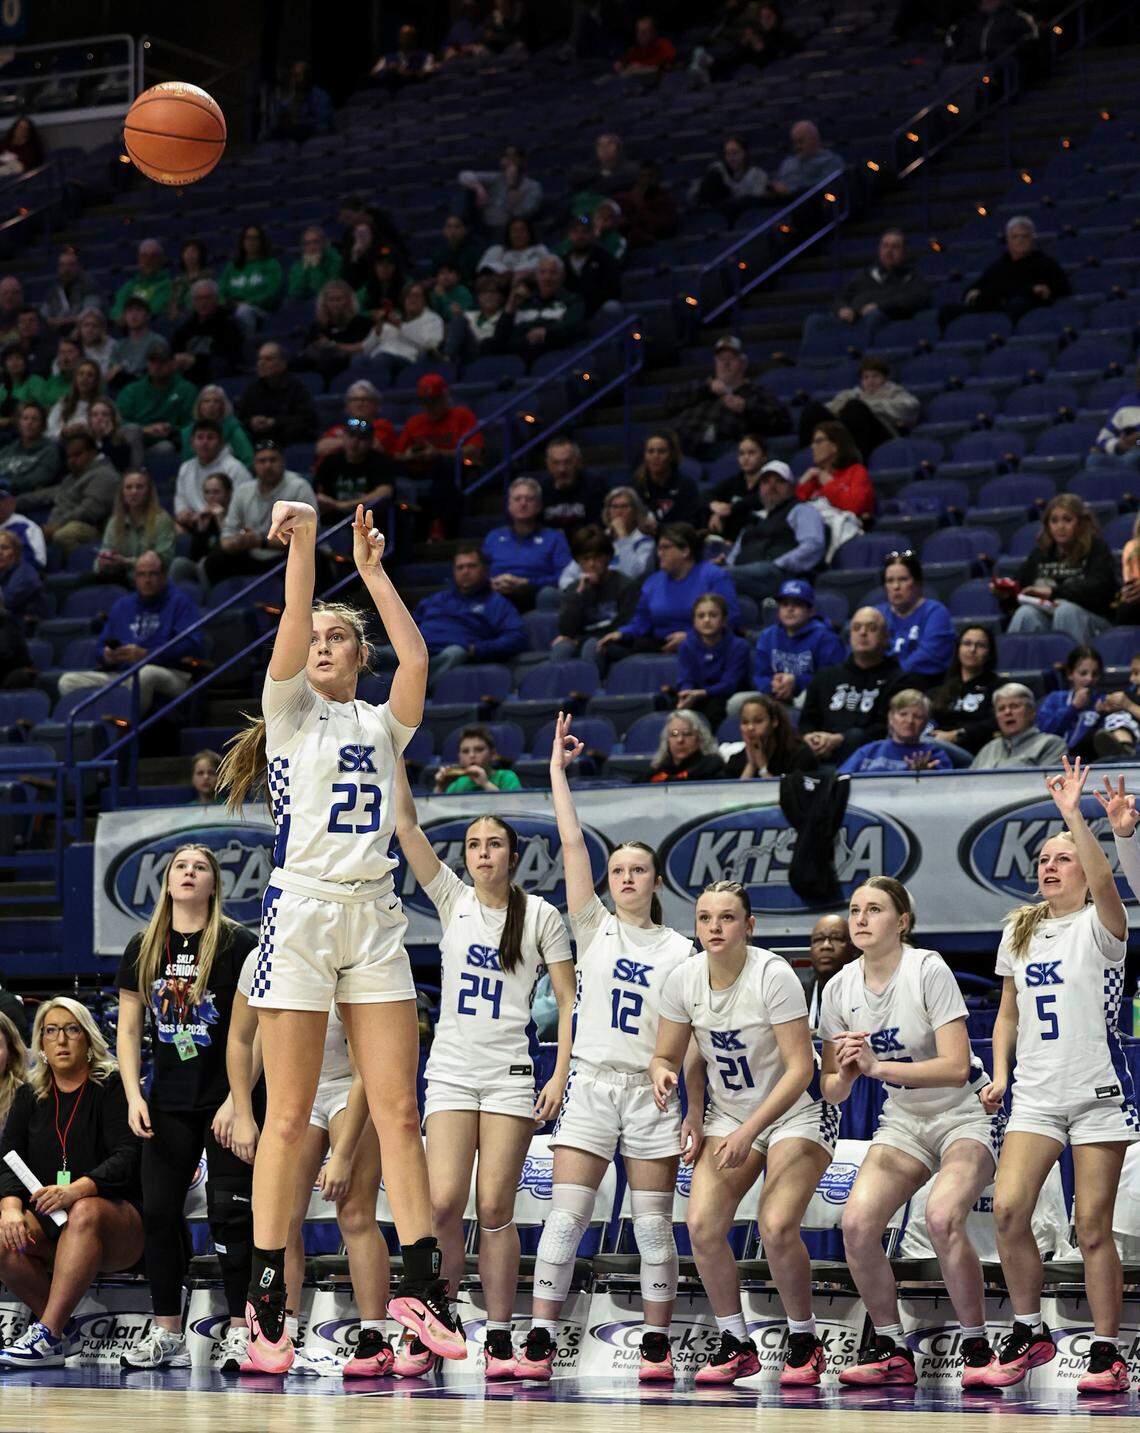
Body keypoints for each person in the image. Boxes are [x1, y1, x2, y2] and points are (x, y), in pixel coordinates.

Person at [213, 500, 463, 1373]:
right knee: (287, 1118)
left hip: (375, 914)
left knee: (399, 1109)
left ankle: (422, 1285)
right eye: (315, 637)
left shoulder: (382, 723)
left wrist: (374, 573)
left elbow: (418, 658)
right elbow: (292, 610)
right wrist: (306, 536)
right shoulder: (288, 712)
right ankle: (265, 1303)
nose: (321, 644)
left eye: (338, 637)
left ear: (359, 655)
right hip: (304, 912)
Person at [512, 714, 697, 1381]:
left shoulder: (682, 949)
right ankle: (540, 1337)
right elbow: (570, 843)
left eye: (637, 869)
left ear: (655, 881)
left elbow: (691, 1040)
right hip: (591, 1082)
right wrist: (557, 773)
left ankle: (656, 1343)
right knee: (565, 1220)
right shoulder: (590, 925)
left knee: (653, 1228)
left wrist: (693, 1106)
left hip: (651, 1093)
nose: (625, 877)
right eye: (617, 868)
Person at [393, 777, 575, 1376]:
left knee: (494, 1207)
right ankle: (435, 1323)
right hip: (451, 1072)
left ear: (512, 856)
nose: (482, 853)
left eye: (493, 844)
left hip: (509, 1075)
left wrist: (560, 1073)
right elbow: (406, 828)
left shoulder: (541, 915)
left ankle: (498, 1335)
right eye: (473, 844)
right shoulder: (452, 898)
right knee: (443, 1204)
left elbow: (569, 1000)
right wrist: (396, 751)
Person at [976, 761, 1134, 1394]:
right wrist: (1002, 1073)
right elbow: (1007, 1013)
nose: (1050, 865)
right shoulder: (1020, 929)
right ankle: (1029, 1330)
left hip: (1098, 1092)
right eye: (1043, 858)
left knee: (1092, 1227)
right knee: (1009, 1209)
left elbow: (1107, 878)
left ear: (1084, 870)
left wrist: (1076, 816)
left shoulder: (1103, 923)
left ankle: (1106, 1352)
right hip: (1037, 1094)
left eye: (1063, 858)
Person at [820, 878, 1006, 1389]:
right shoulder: (838, 989)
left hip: (964, 1111)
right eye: (855, 909)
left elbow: (954, 1066)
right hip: (904, 1118)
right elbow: (832, 1089)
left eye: (874, 909)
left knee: (942, 1216)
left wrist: (876, 1068)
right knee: (857, 1225)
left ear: (901, 922)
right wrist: (847, 1073)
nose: (860, 919)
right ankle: (890, 1347)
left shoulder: (926, 968)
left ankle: (977, 1347)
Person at [653, 882, 838, 1386]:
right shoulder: (684, 979)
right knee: (702, 1226)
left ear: (749, 926)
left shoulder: (773, 974)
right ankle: (736, 1342)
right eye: (705, 918)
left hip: (797, 1109)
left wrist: (750, 1130)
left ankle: (804, 1339)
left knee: (776, 1226)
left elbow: (801, 1068)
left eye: (727, 917)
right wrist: (687, 1105)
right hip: (731, 1112)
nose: (714, 927)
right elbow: (675, 1054)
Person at [115, 845, 259, 1371]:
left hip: (227, 1100)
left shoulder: (239, 943)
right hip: (167, 1102)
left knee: (230, 1215)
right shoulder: (144, 945)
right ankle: (167, 1332)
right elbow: (128, 1029)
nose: (190, 872)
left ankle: (242, 1330)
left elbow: (259, 1030)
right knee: (157, 1214)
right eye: (181, 866)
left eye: (200, 867)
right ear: (168, 881)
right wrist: (134, 1095)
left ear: (214, 883)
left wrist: (238, 1100)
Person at [0, 998, 142, 1369]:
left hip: (117, 1226)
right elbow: (8, 1158)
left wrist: (74, 1190)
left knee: (85, 1210)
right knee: (2, 1235)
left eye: (71, 1029)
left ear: (88, 1037)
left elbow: (128, 1158)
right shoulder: (30, 1095)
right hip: (53, 1225)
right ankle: (62, 1331)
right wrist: (10, 1208)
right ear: (41, 1044)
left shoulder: (111, 1086)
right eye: (51, 1031)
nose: (61, 1039)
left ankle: (46, 1332)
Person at [57, 551, 203, 713]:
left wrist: (147, 655)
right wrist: (107, 655)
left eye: (152, 574)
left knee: (145, 674)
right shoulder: (122, 606)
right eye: (141, 575)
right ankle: (105, 724)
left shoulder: (180, 602)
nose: (147, 580)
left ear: (163, 576)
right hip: (123, 673)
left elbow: (191, 644)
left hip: (170, 673)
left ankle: (124, 726)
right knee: (68, 681)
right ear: (135, 578)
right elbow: (100, 647)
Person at [599, 524, 740, 664]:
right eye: (659, 548)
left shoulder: (714, 577)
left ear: (685, 551)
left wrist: (692, 637)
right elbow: (642, 621)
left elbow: (730, 618)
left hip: (703, 643)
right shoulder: (653, 582)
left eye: (665, 547)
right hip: (659, 644)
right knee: (606, 647)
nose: (659, 553)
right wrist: (623, 633)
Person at [394, 544, 526, 687]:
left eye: (472, 566)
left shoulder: (496, 603)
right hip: (418, 650)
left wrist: (477, 649)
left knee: (454, 654)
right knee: (381, 653)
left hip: (453, 653)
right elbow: (408, 628)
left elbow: (516, 637)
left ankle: (415, 690)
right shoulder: (434, 600)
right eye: (460, 567)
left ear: (484, 569)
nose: (465, 571)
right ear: (454, 571)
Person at [1004, 493, 1116, 646]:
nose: (1060, 527)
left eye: (1067, 520)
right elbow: (1020, 589)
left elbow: (1100, 588)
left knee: (1065, 611)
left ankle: (1078, 661)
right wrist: (1006, 594)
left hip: (1092, 620)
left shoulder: (1096, 549)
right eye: (1054, 521)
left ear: (1081, 523)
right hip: (1049, 617)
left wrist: (1053, 592)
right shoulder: (1040, 554)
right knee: (1026, 613)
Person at [204, 441, 317, 587]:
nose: (267, 466)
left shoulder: (299, 487)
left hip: (285, 557)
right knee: (214, 560)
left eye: (273, 460)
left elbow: (306, 538)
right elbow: (227, 535)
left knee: (314, 559)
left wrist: (260, 541)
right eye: (262, 461)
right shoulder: (243, 491)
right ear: (254, 465)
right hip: (251, 554)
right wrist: (236, 542)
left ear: (283, 462)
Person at [665, 336, 791, 457]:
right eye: (721, 359)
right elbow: (669, 402)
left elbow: (782, 421)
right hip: (682, 443)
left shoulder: (755, 391)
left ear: (743, 363)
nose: (725, 363)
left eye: (731, 358)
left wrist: (745, 407)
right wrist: (706, 388)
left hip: (724, 448)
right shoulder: (702, 386)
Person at [392, 375, 483, 536]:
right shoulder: (415, 422)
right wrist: (408, 455)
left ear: (445, 397)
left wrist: (438, 453)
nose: (429, 407)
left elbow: (474, 449)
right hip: (420, 469)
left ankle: (440, 526)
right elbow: (396, 455)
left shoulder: (461, 415)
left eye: (434, 401)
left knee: (444, 466)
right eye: (425, 402)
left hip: (453, 469)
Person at [727, 460, 827, 606]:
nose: (772, 487)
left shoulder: (801, 510)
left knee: (718, 576)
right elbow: (734, 556)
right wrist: (724, 563)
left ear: (791, 487)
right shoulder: (754, 520)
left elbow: (813, 545)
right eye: (766, 482)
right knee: (712, 575)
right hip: (746, 575)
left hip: (779, 575)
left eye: (779, 482)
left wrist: (779, 564)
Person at [941, 217, 1070, 328]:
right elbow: (978, 286)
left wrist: (1046, 290)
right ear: (1008, 240)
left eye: (1024, 236)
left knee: (1016, 305)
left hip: (1024, 307)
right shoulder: (999, 265)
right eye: (1015, 237)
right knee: (948, 311)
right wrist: (973, 291)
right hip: (995, 304)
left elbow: (1062, 287)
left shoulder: (1045, 263)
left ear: (1032, 238)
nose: (1019, 240)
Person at [749, 578, 846, 708]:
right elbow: (760, 675)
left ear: (810, 611)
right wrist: (773, 686)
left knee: (805, 700)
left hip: (808, 695)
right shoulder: (768, 635)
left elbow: (830, 678)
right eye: (785, 604)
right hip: (773, 693)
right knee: (736, 702)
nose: (790, 609)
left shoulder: (826, 638)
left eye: (797, 604)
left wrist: (796, 682)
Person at [553, 525, 641, 663]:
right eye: (585, 559)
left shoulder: (626, 586)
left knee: (592, 646)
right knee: (561, 648)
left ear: (608, 558)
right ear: (578, 561)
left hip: (614, 643)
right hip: (584, 642)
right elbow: (566, 630)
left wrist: (581, 641)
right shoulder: (575, 589)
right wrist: (579, 594)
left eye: (597, 558)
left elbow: (623, 627)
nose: (592, 564)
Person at [798, 362, 918, 463]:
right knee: (813, 409)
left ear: (885, 378)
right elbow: (830, 409)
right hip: (848, 433)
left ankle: (856, 462)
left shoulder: (895, 392)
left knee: (855, 407)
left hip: (881, 435)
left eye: (875, 376)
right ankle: (806, 460)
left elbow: (910, 407)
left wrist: (868, 405)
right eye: (866, 377)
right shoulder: (851, 394)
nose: (870, 381)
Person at [483, 476, 572, 612]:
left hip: (535, 598)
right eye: (517, 499)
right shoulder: (493, 537)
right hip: (496, 597)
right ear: (509, 506)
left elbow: (565, 577)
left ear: (539, 506)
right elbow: (480, 572)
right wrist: (492, 582)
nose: (523, 503)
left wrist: (528, 583)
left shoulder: (554, 538)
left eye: (529, 499)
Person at [877, 551, 956, 691]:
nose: (896, 586)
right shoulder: (878, 615)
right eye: (890, 581)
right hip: (883, 685)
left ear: (917, 582)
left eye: (903, 579)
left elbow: (928, 657)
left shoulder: (935, 612)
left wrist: (888, 678)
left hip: (925, 686)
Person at [823, 229, 931, 331]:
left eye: (895, 247)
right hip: (853, 321)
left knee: (874, 316)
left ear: (904, 252)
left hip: (886, 324)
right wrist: (842, 309)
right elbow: (840, 298)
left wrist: (879, 306)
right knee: (817, 321)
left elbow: (917, 298)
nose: (888, 251)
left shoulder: (911, 277)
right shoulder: (864, 275)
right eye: (885, 246)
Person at [36, 426, 120, 555]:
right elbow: (47, 494)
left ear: (92, 453)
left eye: (77, 455)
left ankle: (82, 563)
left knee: (64, 535)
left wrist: (57, 525)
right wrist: (15, 501)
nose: (71, 461)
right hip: (61, 523)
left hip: (92, 527)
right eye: (69, 456)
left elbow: (89, 511)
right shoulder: (72, 477)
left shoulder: (104, 475)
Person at [676, 593, 752, 728]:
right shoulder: (686, 646)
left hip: (726, 697)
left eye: (713, 615)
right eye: (701, 616)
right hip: (696, 696)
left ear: (724, 619)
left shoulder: (739, 646)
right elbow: (686, 678)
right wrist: (686, 693)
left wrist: (703, 693)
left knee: (714, 707)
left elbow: (730, 684)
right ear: (694, 621)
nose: (706, 620)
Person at [839, 689, 954, 774]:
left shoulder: (935, 755)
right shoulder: (869, 752)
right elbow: (840, 782)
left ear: (926, 722)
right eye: (903, 714)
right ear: (891, 717)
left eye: (918, 716)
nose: (909, 721)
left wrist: (926, 776)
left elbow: (948, 790)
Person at [116, 340, 199, 452]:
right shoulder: (131, 390)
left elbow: (191, 423)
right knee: (131, 432)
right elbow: (118, 420)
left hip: (169, 440)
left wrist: (171, 429)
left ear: (173, 363)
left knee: (165, 447)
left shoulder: (186, 389)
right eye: (152, 361)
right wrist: (144, 429)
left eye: (162, 362)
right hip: (137, 439)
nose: (157, 366)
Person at [927, 625, 1000, 754]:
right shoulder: (940, 689)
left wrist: (957, 735)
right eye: (967, 643)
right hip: (936, 747)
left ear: (989, 653)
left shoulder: (998, 686)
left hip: (974, 752)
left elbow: (996, 722)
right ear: (958, 649)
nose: (972, 649)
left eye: (980, 645)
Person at [1036, 646, 1116, 759]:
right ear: (1070, 674)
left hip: (1089, 763)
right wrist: (1072, 708)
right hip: (1053, 761)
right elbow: (1044, 734)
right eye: (1083, 673)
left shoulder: (1104, 703)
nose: (1089, 679)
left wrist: (1101, 716)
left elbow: (1106, 743)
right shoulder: (1055, 699)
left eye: (1095, 674)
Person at [96, 468, 178, 578]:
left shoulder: (162, 519)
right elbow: (103, 553)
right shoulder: (115, 521)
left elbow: (164, 560)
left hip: (150, 578)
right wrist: (103, 561)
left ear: (148, 492)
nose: (134, 492)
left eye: (139, 487)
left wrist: (126, 561)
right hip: (120, 576)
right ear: (122, 493)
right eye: (128, 487)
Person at [312, 415, 394, 522]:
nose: (355, 442)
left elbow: (385, 492)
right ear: (343, 437)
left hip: (370, 521)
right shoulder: (330, 461)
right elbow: (317, 493)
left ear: (371, 441)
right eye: (351, 436)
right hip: (333, 521)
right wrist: (327, 502)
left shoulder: (380, 461)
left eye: (362, 438)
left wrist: (346, 505)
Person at [235, 343, 318, 447]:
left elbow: (308, 420)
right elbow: (239, 419)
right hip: (259, 443)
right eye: (260, 359)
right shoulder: (251, 390)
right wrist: (251, 422)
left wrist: (274, 422)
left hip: (290, 443)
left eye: (268, 359)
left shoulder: (297, 388)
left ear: (283, 364)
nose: (261, 363)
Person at [174, 419, 252, 528]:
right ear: (192, 442)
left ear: (221, 443)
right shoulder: (186, 468)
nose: (205, 442)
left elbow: (244, 506)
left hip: (226, 524)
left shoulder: (235, 468)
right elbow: (180, 498)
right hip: (195, 523)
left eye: (210, 438)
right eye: (200, 437)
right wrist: (182, 511)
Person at [970, 684, 1068, 770]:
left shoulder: (1051, 744)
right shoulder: (988, 749)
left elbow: (1051, 783)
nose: (1007, 712)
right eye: (1001, 708)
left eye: (1014, 706)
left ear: (1032, 712)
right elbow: (968, 783)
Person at [722, 693, 817, 780]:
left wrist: (763, 769)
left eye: (758, 721)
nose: (750, 728)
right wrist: (751, 766)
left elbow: (791, 793)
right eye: (745, 722)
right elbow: (733, 793)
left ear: (774, 721)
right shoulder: (736, 761)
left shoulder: (800, 755)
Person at [508, 257, 587, 361]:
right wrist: (510, 306)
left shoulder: (573, 301)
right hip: (521, 358)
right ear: (536, 276)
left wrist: (547, 332)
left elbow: (573, 328)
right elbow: (506, 338)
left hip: (558, 358)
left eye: (553, 273)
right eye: (542, 272)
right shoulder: (523, 303)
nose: (547, 277)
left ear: (562, 276)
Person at [171, 280, 246, 388]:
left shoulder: (229, 325)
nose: (203, 302)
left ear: (217, 299)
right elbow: (173, 352)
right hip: (185, 380)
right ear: (193, 302)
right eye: (199, 298)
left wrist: (195, 361)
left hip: (215, 381)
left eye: (208, 298)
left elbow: (228, 361)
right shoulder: (185, 327)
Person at [794, 419, 875, 517]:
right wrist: (802, 483)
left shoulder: (856, 472)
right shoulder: (813, 478)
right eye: (813, 442)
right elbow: (795, 512)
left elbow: (855, 508)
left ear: (835, 446)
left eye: (818, 441)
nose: (812, 446)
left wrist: (829, 484)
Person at [458, 145, 543, 233]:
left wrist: (511, 186)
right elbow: (463, 175)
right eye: (507, 157)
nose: (510, 161)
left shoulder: (533, 186)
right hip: (485, 227)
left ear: (523, 161)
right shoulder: (495, 178)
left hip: (510, 230)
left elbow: (524, 213)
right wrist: (478, 188)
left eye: (514, 157)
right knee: (463, 193)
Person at [363, 280, 444, 371]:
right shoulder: (395, 317)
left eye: (416, 296)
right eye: (408, 296)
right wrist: (378, 329)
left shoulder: (432, 319)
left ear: (425, 300)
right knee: (359, 360)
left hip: (407, 361)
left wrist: (400, 326)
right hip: (378, 357)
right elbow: (365, 350)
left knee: (382, 359)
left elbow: (431, 346)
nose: (411, 299)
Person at [218, 225, 284, 332]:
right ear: (242, 241)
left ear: (261, 241)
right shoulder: (232, 266)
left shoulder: (271, 264)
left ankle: (249, 340)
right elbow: (221, 291)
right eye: (247, 238)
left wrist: (248, 302)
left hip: (260, 310)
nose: (251, 242)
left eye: (255, 238)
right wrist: (226, 303)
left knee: (243, 310)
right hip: (233, 307)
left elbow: (272, 293)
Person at [539, 436, 605, 540]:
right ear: (548, 464)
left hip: (585, 544)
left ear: (578, 462)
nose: (562, 469)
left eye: (567, 462)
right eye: (556, 463)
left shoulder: (595, 485)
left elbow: (599, 527)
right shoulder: (540, 489)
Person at [707, 435, 770, 543]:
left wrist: (726, 511)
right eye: (742, 453)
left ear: (764, 456)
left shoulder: (769, 481)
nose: (746, 458)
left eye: (751, 453)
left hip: (757, 539)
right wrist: (714, 505)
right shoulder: (735, 480)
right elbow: (707, 494)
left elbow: (753, 500)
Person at [633, 429, 701, 529]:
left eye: (661, 451)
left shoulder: (686, 485)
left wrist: (658, 528)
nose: (655, 456)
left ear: (672, 455)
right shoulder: (636, 485)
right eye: (650, 451)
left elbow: (691, 524)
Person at [558, 214, 622, 320]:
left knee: (611, 307)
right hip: (571, 307)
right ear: (570, 235)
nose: (580, 236)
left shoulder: (604, 258)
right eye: (576, 232)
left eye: (585, 232)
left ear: (593, 234)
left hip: (597, 308)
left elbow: (613, 290)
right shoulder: (563, 261)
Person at [443, 276, 515, 366]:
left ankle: (447, 358)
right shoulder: (467, 315)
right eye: (484, 292)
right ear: (478, 297)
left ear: (502, 297)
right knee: (457, 320)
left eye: (493, 292)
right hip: (467, 355)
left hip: (489, 355)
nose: (488, 296)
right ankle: (447, 357)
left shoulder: (505, 318)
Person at [316, 380, 396, 460]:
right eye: (354, 399)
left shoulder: (382, 425)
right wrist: (355, 441)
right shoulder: (338, 428)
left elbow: (374, 445)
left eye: (365, 399)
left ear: (376, 405)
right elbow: (320, 448)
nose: (359, 404)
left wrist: (341, 441)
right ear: (347, 407)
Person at [690, 135, 770, 214]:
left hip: (747, 215)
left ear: (745, 153)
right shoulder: (717, 171)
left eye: (735, 153)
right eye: (727, 153)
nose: (731, 157)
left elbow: (756, 201)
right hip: (719, 215)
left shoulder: (758, 174)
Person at [641, 709, 726, 784]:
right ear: (667, 740)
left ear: (699, 738)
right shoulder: (658, 770)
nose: (680, 740)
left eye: (687, 734)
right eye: (674, 734)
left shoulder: (712, 767)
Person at [433, 725, 523, 795]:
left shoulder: (507, 777)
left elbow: (513, 809)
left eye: (479, 750)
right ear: (460, 758)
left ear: (493, 754)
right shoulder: (458, 784)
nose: (471, 755)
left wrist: (485, 784)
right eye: (465, 751)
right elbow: (436, 810)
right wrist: (440, 786)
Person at [804, 914, 857, 1027]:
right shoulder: (799, 995)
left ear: (853, 948)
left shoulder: (869, 992)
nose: (826, 946)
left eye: (836, 938)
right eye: (818, 939)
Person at [614, 162, 679, 249]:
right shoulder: (624, 198)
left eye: (650, 176)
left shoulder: (666, 200)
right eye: (642, 176)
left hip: (655, 246)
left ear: (658, 178)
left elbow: (661, 227)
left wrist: (640, 205)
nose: (646, 180)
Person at [266, 59, 334, 143]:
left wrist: (299, 123)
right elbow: (274, 125)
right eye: (293, 76)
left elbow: (324, 125)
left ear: (308, 78)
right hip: (290, 143)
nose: (294, 81)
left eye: (298, 76)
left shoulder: (321, 97)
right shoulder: (287, 102)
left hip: (315, 141)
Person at [0, 402, 60, 496]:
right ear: (19, 423)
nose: (29, 423)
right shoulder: (9, 448)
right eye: (25, 418)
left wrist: (7, 483)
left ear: (43, 425)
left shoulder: (50, 451)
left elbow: (37, 480)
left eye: (34, 419)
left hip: (21, 498)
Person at [770, 120, 843, 197]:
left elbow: (824, 190)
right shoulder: (788, 163)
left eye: (801, 141)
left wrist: (790, 190)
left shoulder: (831, 161)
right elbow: (778, 183)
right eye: (795, 143)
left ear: (814, 140)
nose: (797, 147)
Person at [568, 133, 640, 210]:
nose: (604, 148)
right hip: (593, 204)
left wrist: (597, 180)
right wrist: (601, 175)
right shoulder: (590, 168)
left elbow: (620, 182)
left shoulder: (630, 167)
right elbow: (575, 179)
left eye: (609, 143)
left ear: (618, 148)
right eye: (600, 145)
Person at [40, 247, 102, 332]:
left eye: (71, 265)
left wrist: (57, 321)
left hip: (81, 333)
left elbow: (89, 315)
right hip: (56, 334)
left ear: (79, 267)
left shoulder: (89, 286)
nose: (66, 269)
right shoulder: (54, 290)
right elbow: (43, 318)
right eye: (62, 265)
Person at [1091, 362, 1140, 469]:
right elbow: (1102, 439)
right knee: (1094, 459)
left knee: (1133, 457)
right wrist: (1118, 445)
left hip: (1135, 452)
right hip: (1125, 451)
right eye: (1138, 374)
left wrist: (1137, 441)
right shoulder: (1125, 403)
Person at [110, 238, 173, 321]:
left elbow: (154, 309)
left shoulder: (167, 285)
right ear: (139, 259)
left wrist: (129, 318)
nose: (148, 260)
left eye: (153, 256)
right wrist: (120, 316)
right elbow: (116, 309)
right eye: (144, 256)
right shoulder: (129, 285)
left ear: (161, 260)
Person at [478, 217, 552, 282]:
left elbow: (549, 268)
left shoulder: (540, 249)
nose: (518, 234)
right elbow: (482, 269)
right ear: (508, 234)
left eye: (522, 230)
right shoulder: (498, 250)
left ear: (529, 232)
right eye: (514, 231)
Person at [46, 358, 103, 439]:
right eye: (81, 374)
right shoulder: (64, 402)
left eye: (90, 375)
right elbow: (49, 428)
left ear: (96, 381)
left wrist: (87, 430)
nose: (84, 378)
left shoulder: (102, 406)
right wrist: (63, 432)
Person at [108, 296, 157, 388]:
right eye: (129, 310)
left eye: (138, 310)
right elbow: (111, 374)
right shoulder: (119, 346)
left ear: (148, 316)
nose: (133, 314)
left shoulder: (157, 343)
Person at [287, 226, 343, 303]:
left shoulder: (335, 260)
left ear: (324, 243)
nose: (312, 247)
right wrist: (305, 268)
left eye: (316, 242)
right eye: (307, 244)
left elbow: (327, 290)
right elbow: (294, 293)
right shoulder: (298, 265)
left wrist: (315, 267)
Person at [89, 396, 144, 475]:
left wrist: (107, 437)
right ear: (89, 419)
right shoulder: (85, 441)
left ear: (113, 418)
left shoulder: (122, 443)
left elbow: (118, 467)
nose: (99, 418)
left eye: (105, 415)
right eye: (94, 415)